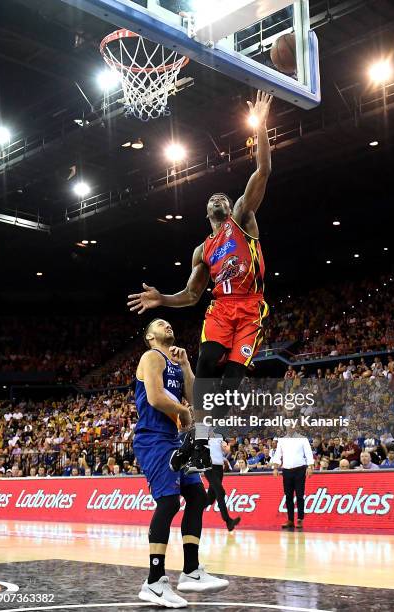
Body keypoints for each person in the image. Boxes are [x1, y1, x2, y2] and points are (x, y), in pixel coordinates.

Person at [127, 90, 273, 474]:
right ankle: (197, 443)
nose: (217, 199)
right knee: (207, 361)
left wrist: (260, 128)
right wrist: (161, 299)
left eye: (222, 196)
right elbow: (192, 295)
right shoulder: (203, 250)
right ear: (205, 211)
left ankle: (201, 441)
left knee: (233, 380)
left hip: (251, 306)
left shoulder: (242, 218)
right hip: (222, 308)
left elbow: (263, 172)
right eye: (212, 198)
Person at [134, 318, 228, 608]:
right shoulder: (151, 356)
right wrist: (183, 413)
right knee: (169, 502)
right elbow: (154, 397)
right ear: (150, 336)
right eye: (160, 324)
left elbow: (195, 399)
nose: (168, 325)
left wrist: (187, 365)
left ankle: (191, 571)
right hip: (154, 437)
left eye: (169, 323)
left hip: (173, 439)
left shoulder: (175, 362)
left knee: (197, 497)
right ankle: (154, 581)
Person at [272, 430, 314, 530]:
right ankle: (290, 520)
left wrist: (310, 466)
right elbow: (278, 454)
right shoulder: (282, 440)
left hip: (300, 469)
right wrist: (275, 468)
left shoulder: (303, 439)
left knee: (300, 495)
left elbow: (308, 453)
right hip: (286, 470)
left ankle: (300, 519)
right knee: (288, 496)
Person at [205, 433, 241, 531]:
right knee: (220, 492)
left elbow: (226, 450)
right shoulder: (202, 436)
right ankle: (228, 521)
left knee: (210, 499)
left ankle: (194, 508)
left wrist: (228, 445)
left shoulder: (219, 436)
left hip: (219, 468)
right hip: (209, 468)